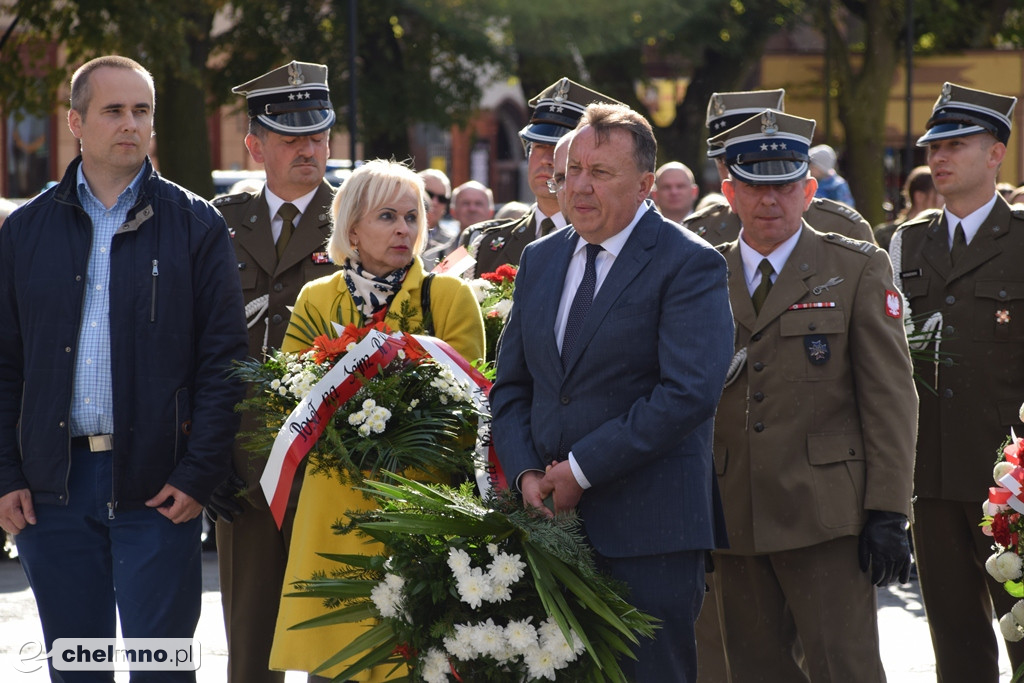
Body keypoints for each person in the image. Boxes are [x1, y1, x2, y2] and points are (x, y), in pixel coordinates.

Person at [0, 55, 247, 681]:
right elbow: (3, 364)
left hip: (158, 487)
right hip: (51, 492)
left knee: (161, 670)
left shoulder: (196, 225)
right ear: (75, 121)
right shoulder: (24, 231)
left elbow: (225, 364)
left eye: (142, 111)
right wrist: (4, 474)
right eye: (114, 110)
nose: (131, 124)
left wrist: (197, 476)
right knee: (76, 671)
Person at [491, 102, 733, 681]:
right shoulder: (541, 259)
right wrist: (527, 474)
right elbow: (511, 387)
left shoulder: (688, 264)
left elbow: (688, 393)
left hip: (649, 536)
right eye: (571, 171)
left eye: (600, 173)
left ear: (647, 184)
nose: (578, 186)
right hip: (546, 527)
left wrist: (579, 469)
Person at [708, 109, 917, 682]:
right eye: (754, 184)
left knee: (843, 668)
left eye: (783, 185)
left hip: (827, 515)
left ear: (808, 189)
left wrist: (889, 509)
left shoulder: (856, 268)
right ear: (729, 191)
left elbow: (891, 399)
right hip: (732, 513)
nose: (769, 200)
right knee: (754, 670)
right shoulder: (703, 276)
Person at [269, 159, 485, 680]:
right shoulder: (317, 298)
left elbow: (474, 403)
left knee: (415, 660)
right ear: (353, 229)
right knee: (335, 663)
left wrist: (404, 424)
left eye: (413, 217)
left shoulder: (449, 296)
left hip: (420, 507)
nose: (403, 229)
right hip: (334, 506)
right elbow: (287, 398)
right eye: (387, 216)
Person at [206, 60, 341, 683]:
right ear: (254, 144)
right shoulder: (217, 221)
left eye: (316, 135)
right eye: (290, 138)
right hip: (245, 459)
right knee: (251, 653)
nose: (307, 149)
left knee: (335, 645)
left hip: (336, 454)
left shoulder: (359, 217)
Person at [890, 81, 1024, 682]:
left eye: (956, 144)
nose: (937, 158)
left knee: (1022, 635)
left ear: (996, 153)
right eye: (933, 145)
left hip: (1011, 482)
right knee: (957, 650)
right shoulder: (908, 242)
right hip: (931, 479)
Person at [468, 77, 621, 276]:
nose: (546, 160)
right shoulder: (484, 243)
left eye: (559, 148)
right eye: (539, 146)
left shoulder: (609, 241)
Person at [685, 89, 875, 246]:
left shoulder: (843, 226)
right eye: (725, 161)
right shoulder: (698, 232)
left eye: (748, 163)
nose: (731, 173)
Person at [873, 165, 943, 251]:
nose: (943, 199)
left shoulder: (943, 234)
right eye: (938, 193)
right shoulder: (886, 236)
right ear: (919, 197)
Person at [418, 168, 456, 270]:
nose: (434, 202)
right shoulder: (397, 234)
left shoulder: (453, 244)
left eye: (442, 199)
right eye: (428, 194)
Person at [809, 143, 855, 207]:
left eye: (812, 166)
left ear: (821, 168)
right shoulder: (809, 181)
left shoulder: (837, 185)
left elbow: (847, 208)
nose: (809, 168)